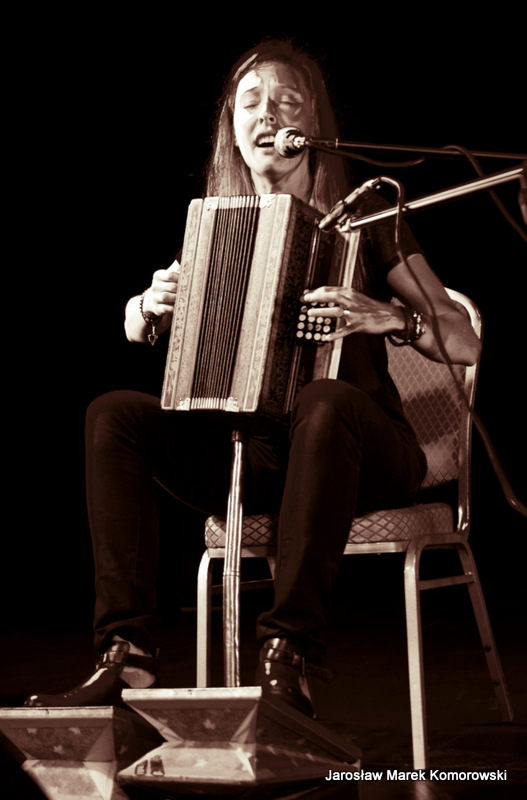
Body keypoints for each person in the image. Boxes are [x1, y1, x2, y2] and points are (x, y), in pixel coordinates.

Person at [25, 39, 480, 715]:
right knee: (113, 413)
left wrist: (387, 316)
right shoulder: (220, 224)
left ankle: (289, 653)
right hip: (259, 460)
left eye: (288, 101)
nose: (269, 114)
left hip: (363, 453)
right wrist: (145, 306)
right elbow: (131, 326)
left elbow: (462, 338)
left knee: (325, 400)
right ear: (232, 130)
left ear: (313, 123)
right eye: (251, 103)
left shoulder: (368, 220)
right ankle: (128, 655)